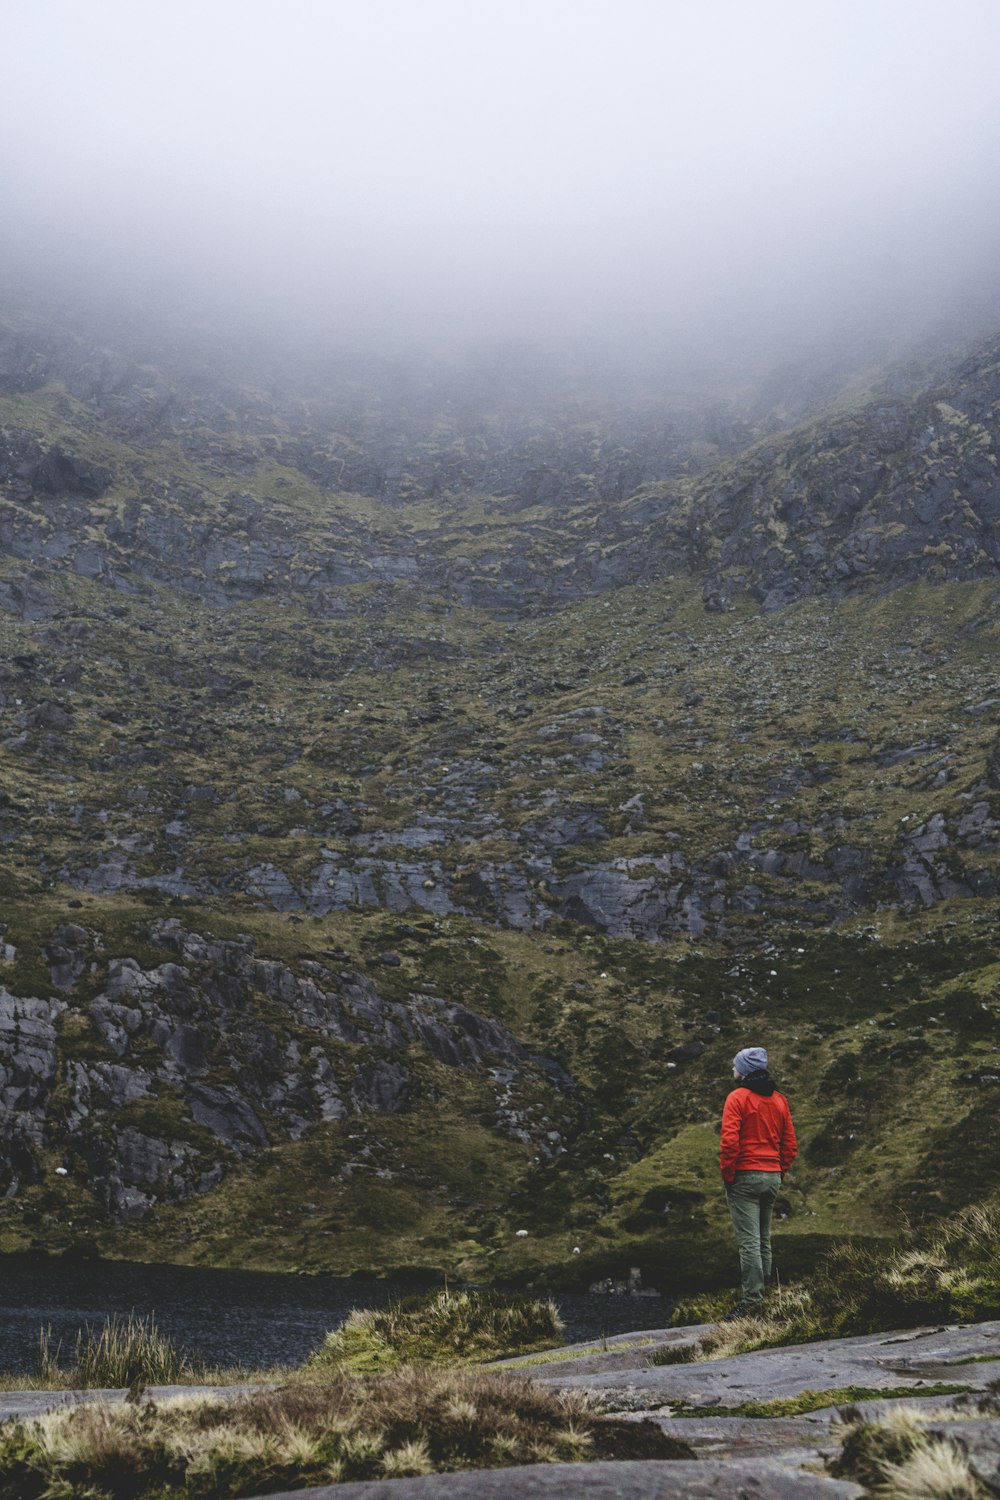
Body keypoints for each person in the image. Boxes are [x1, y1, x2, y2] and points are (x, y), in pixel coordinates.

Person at [719, 1045, 797, 1319]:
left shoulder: (737, 1098)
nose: (732, 1069)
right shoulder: (780, 1101)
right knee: (764, 1237)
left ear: (744, 1071)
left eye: (735, 1066)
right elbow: (790, 1144)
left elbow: (729, 1141)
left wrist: (729, 1174)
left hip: (745, 1176)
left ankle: (752, 1302)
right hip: (771, 1175)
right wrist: (778, 1171)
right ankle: (763, 1293)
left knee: (749, 1241)